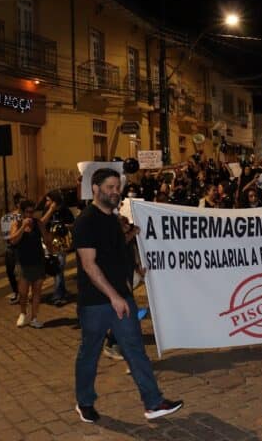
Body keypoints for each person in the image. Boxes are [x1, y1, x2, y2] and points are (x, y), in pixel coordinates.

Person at [72, 168, 183, 422]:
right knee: (89, 353)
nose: (115, 191)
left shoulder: (112, 218)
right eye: (110, 187)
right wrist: (114, 297)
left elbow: (117, 251)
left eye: (117, 187)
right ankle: (85, 402)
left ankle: (153, 403)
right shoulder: (85, 222)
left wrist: (136, 269)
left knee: (135, 350)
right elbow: (90, 265)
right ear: (96, 189)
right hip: (96, 303)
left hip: (121, 297)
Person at [8, 200, 53, 329]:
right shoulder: (16, 224)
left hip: (38, 262)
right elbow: (13, 241)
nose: (30, 215)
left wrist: (51, 251)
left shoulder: (38, 224)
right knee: (23, 293)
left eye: (32, 212)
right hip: (23, 263)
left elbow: (46, 239)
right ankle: (23, 313)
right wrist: (23, 227)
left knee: (37, 292)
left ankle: (34, 318)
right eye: (27, 212)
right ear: (22, 212)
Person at [40, 190, 75, 306]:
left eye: (49, 200)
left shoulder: (65, 210)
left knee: (58, 269)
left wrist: (63, 227)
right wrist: (50, 210)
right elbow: (42, 223)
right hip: (49, 242)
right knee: (56, 269)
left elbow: (73, 224)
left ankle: (58, 295)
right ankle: (61, 291)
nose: (47, 202)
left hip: (61, 244)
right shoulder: (47, 210)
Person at [0, 193, 23, 305]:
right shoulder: (7, 218)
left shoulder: (27, 217)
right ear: (17, 204)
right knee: (10, 272)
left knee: (20, 272)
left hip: (23, 247)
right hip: (12, 247)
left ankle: (22, 294)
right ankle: (16, 292)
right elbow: (6, 236)